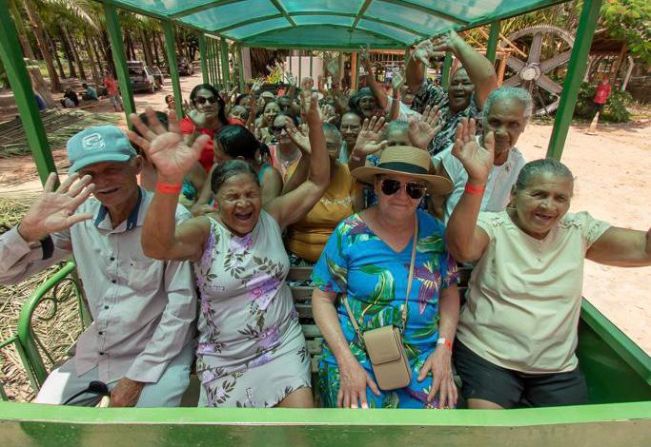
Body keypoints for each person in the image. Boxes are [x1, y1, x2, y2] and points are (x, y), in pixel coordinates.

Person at [128, 95, 329, 408]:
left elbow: (318, 181)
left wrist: (315, 125)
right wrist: (168, 181)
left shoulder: (271, 217)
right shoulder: (206, 230)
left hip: (282, 347)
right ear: (216, 201)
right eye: (232, 196)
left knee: (300, 427)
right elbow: (157, 246)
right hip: (224, 357)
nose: (244, 203)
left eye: (251, 194)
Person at [445, 131, 651, 409]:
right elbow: (463, 248)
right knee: (488, 432)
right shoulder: (494, 226)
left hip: (556, 368)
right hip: (488, 357)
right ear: (515, 195)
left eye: (560, 198)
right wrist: (477, 181)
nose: (549, 206)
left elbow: (643, 249)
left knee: (569, 435)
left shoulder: (578, 230)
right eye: (538, 194)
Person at [0, 125, 197, 407]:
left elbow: (182, 307)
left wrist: (136, 378)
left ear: (137, 165)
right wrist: (25, 233)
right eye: (90, 174)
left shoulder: (170, 217)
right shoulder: (78, 218)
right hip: (100, 351)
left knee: (144, 431)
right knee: (44, 424)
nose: (102, 182)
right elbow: (5, 274)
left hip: (158, 354)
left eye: (112, 169)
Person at [311, 145, 461, 409]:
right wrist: (345, 361)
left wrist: (444, 348)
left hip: (422, 358)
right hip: (357, 354)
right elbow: (322, 297)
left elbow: (449, 292)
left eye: (414, 189)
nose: (402, 196)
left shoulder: (436, 233)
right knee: (360, 430)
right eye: (392, 185)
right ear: (377, 186)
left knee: (437, 430)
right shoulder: (350, 232)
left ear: (423, 194)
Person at [432, 87, 530, 222]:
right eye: (495, 122)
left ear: (524, 125)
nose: (502, 132)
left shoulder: (520, 167)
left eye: (513, 124)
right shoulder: (459, 154)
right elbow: (436, 204)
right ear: (483, 120)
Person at [406, 30, 497, 155]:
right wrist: (415, 60)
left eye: (465, 83)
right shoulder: (440, 98)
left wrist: (458, 45)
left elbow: (487, 78)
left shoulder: (477, 111)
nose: (459, 87)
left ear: (475, 88)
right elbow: (416, 84)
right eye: (454, 83)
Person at [283, 122, 361, 265]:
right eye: (318, 145)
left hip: (342, 258)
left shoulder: (349, 175)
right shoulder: (297, 171)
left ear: (339, 149)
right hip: (299, 258)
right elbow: (282, 213)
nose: (323, 152)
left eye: (330, 146)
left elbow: (359, 219)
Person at [191, 125, 282, 215]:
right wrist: (200, 211)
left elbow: (264, 219)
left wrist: (220, 216)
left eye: (219, 157)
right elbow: (199, 205)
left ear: (239, 161)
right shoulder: (217, 167)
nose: (214, 160)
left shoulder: (269, 176)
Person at [179, 83, 231, 172]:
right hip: (201, 182)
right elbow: (183, 153)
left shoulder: (232, 124)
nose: (208, 104)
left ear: (219, 104)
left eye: (212, 100)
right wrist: (198, 129)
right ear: (194, 105)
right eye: (201, 100)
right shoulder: (186, 125)